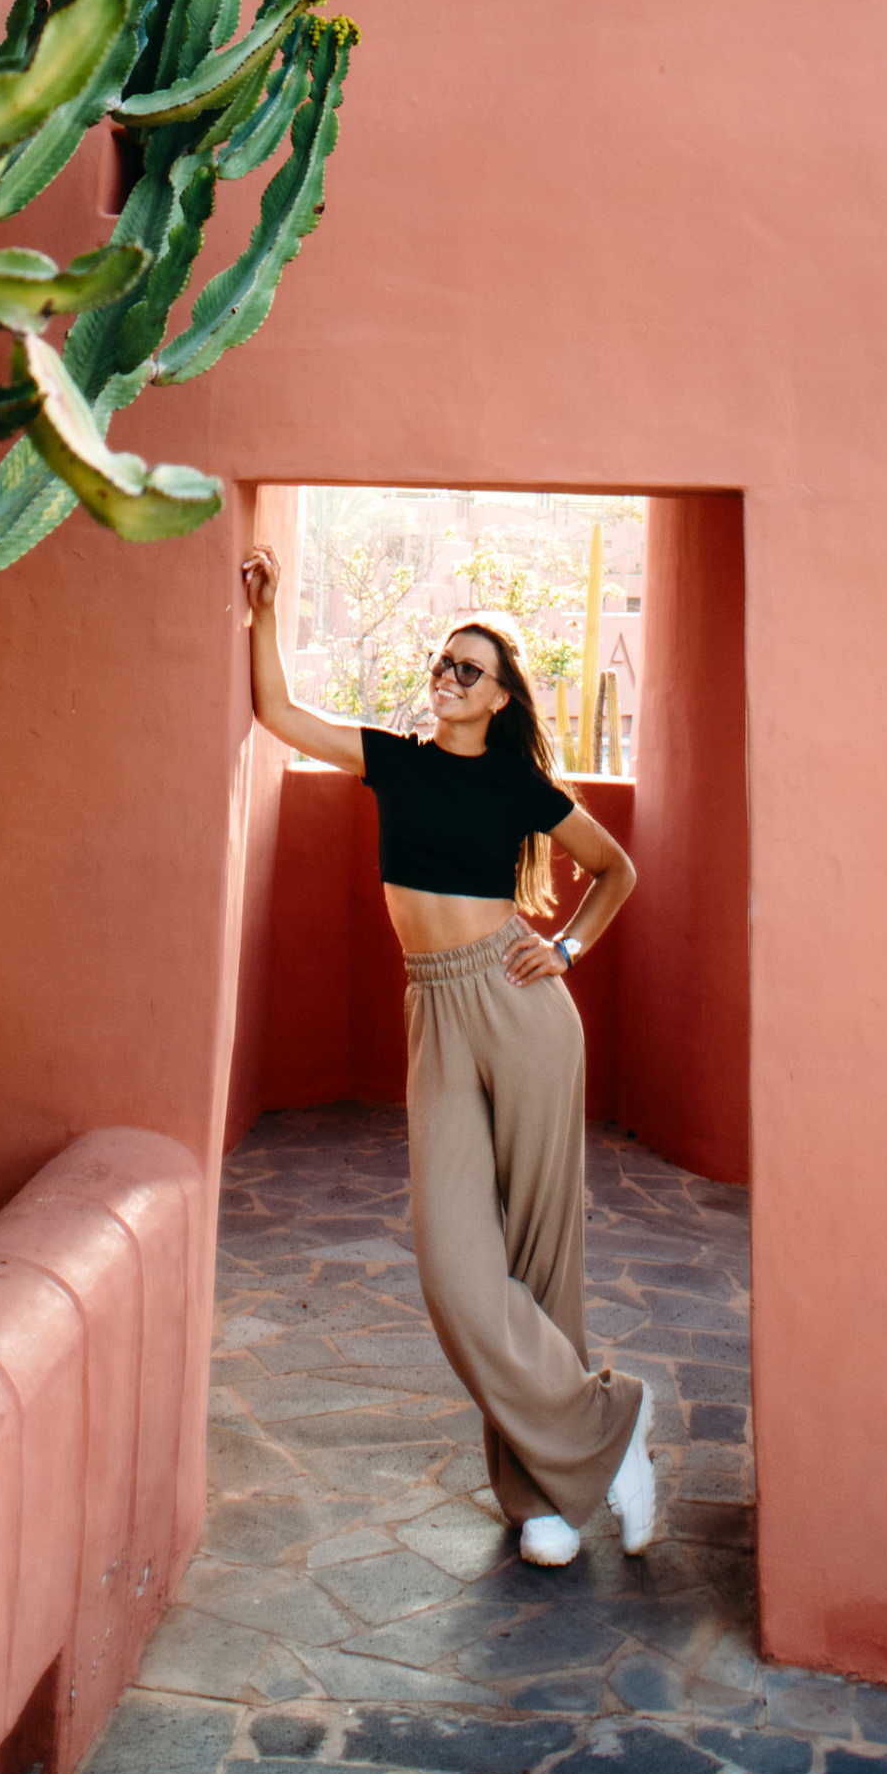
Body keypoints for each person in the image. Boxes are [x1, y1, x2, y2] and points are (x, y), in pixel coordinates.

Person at [238, 543, 653, 1568]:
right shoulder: (397, 761)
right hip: (434, 1007)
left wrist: (562, 948)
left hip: (516, 1007)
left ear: (501, 698)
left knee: (539, 1253)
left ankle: (543, 1497)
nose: (445, 678)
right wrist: (264, 615)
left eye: (468, 669)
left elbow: (614, 870)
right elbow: (282, 716)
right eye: (441, 662)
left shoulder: (517, 785)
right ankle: (611, 1424)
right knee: (455, 1267)